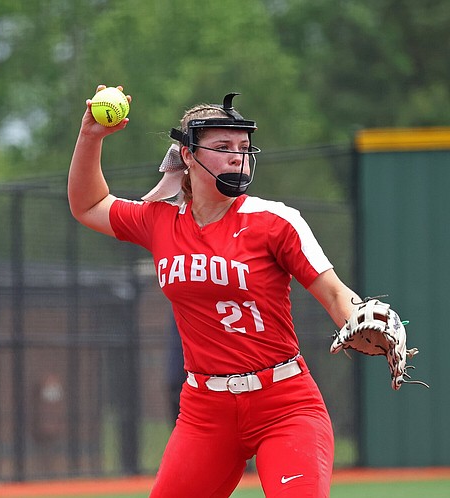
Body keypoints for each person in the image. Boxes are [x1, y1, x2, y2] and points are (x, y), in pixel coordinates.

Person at [68, 85, 374, 497]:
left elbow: (336, 294)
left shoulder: (275, 221)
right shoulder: (160, 221)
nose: (238, 154)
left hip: (284, 404)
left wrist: (361, 317)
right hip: (205, 411)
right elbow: (88, 206)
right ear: (189, 156)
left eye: (244, 145)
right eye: (223, 145)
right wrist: (91, 136)